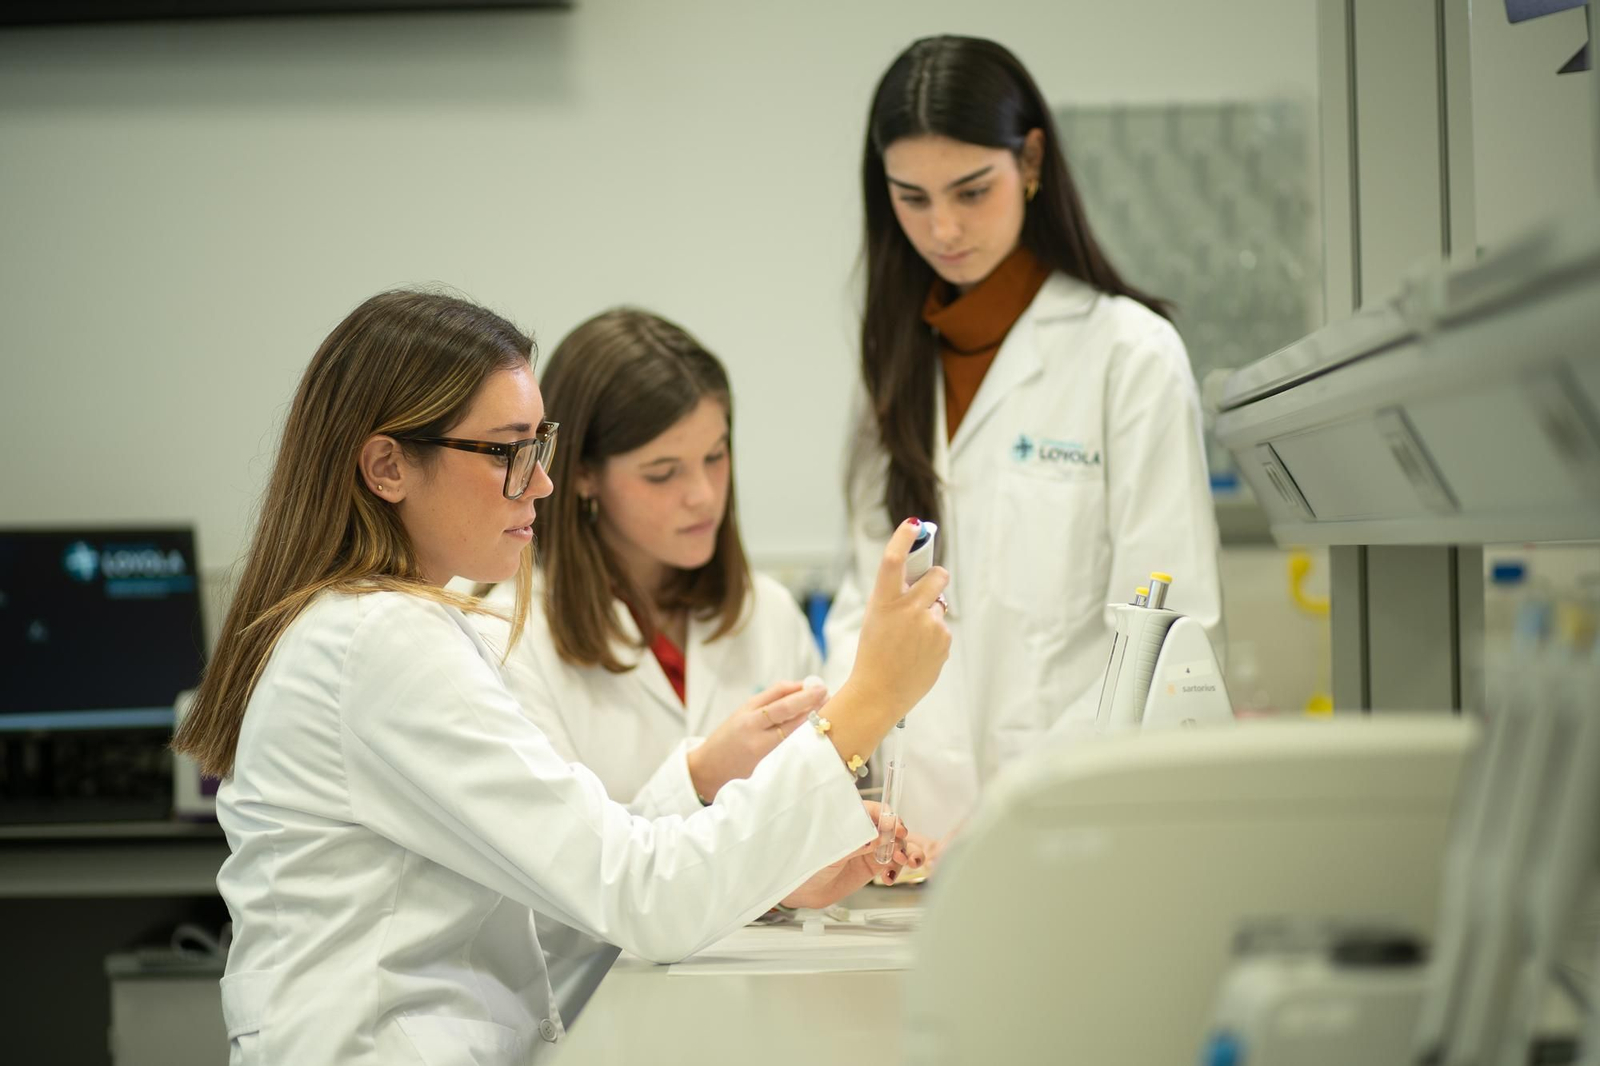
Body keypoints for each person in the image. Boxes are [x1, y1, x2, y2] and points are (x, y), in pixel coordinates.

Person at [171, 290, 950, 1065]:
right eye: (506, 452)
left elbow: (573, 886)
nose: (539, 482)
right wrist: (870, 698)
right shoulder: (380, 641)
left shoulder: (381, 628)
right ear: (388, 466)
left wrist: (752, 851)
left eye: (537, 445)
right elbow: (642, 897)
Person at [824, 36, 1224, 842]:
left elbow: (1161, 640)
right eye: (912, 197)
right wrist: (847, 790)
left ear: (1031, 161)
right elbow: (864, 607)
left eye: (972, 191)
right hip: (907, 838)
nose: (942, 227)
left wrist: (1018, 818)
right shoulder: (893, 367)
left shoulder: (1130, 355)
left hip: (1075, 834)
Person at [474, 307, 925, 1019]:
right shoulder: (507, 634)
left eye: (716, 457)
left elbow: (772, 852)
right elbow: (561, 892)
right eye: (663, 473)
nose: (703, 495)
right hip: (599, 1012)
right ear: (582, 476)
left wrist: (818, 858)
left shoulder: (767, 613)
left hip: (765, 1000)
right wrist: (698, 776)